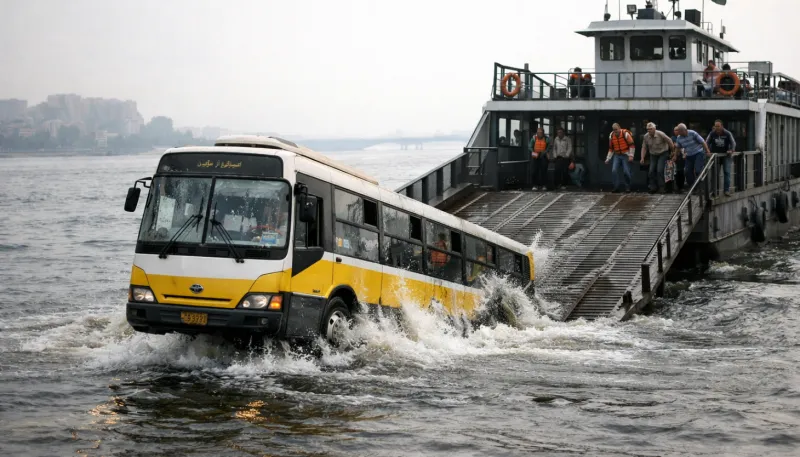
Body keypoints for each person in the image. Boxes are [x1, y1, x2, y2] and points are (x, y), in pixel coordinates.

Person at [640, 122, 675, 193]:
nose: (649, 131)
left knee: (659, 170)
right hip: (653, 154)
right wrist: (642, 157)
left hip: (663, 153)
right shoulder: (646, 136)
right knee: (651, 171)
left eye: (651, 129)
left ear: (654, 129)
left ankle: (662, 187)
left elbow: (670, 141)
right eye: (648, 129)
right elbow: (644, 147)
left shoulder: (660, 134)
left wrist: (672, 151)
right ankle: (653, 187)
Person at [674, 123, 711, 188]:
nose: (678, 133)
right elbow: (678, 147)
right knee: (687, 171)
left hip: (698, 153)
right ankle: (693, 186)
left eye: (679, 131)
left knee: (697, 170)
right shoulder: (679, 138)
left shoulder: (693, 133)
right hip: (689, 155)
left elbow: (703, 142)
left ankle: (701, 186)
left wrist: (707, 151)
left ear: (684, 130)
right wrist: (675, 156)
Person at [706, 120, 737, 196]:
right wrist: (707, 151)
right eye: (715, 126)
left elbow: (733, 143)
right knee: (715, 173)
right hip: (715, 156)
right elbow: (706, 142)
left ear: (722, 126)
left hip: (726, 156)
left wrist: (731, 150)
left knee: (727, 172)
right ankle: (714, 191)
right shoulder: (712, 133)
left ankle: (726, 190)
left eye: (718, 126)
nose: (717, 128)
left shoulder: (727, 133)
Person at [605, 123, 635, 193]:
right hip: (617, 155)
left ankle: (628, 187)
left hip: (626, 154)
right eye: (614, 130)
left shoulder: (625, 134)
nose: (615, 131)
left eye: (616, 129)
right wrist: (608, 158)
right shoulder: (611, 135)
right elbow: (611, 148)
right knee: (614, 170)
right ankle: (616, 187)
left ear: (619, 128)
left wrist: (631, 155)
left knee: (626, 172)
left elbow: (632, 145)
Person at [671, 127, 685, 192]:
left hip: (683, 156)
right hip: (675, 156)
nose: (675, 131)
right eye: (674, 130)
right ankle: (677, 187)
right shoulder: (672, 138)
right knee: (676, 172)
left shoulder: (683, 137)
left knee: (681, 171)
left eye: (677, 130)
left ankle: (681, 186)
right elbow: (673, 146)